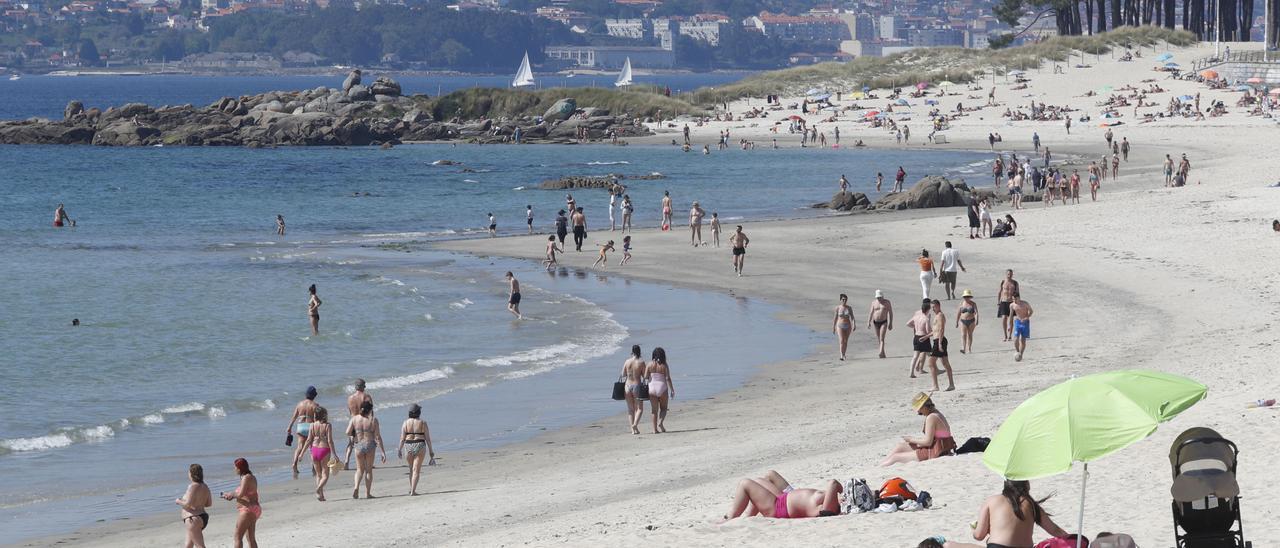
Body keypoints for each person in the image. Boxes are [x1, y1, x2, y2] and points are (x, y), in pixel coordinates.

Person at [968, 480, 1069, 547]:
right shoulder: (1031, 505)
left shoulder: (992, 501)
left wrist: (974, 530)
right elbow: (1055, 530)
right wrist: (1076, 540)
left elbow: (979, 536)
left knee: (953, 545)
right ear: (1026, 485)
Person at [724, 471, 843, 520]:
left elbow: (833, 483)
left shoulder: (830, 509)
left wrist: (841, 491)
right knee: (767, 476)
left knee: (745, 483)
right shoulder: (833, 501)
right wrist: (841, 495)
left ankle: (731, 518)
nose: (845, 497)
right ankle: (749, 517)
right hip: (784, 498)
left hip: (779, 508)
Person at [881, 393, 956, 466]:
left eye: (919, 409)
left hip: (937, 451)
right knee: (900, 446)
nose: (919, 412)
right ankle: (882, 464)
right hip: (942, 447)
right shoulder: (936, 413)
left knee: (896, 457)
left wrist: (911, 439)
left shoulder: (931, 417)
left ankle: (882, 467)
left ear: (924, 407)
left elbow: (928, 442)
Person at [345, 401, 385, 499]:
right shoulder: (373, 420)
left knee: (359, 469)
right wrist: (383, 452)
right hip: (370, 445)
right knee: (368, 470)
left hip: (358, 445)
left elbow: (347, 432)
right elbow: (378, 437)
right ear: (370, 410)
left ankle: (356, 487)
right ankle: (368, 493)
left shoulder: (354, 419)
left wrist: (354, 436)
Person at [221, 458, 259, 548]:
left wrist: (231, 495)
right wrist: (231, 494)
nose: (234, 469)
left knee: (238, 537)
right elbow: (244, 494)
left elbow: (240, 494)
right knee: (250, 538)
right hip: (253, 508)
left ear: (239, 468)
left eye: (235, 467)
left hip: (247, 510)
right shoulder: (250, 476)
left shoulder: (246, 477)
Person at [397, 404, 434, 496]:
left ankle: (411, 489)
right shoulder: (422, 422)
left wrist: (399, 449)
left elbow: (402, 438)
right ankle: (413, 491)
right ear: (419, 412)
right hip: (420, 444)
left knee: (411, 469)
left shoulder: (405, 422)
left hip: (408, 445)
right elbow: (428, 438)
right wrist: (431, 451)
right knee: (416, 470)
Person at [300, 406, 337, 501]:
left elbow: (308, 440)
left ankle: (320, 495)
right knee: (325, 475)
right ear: (324, 415)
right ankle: (318, 489)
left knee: (318, 474)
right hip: (324, 449)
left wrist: (301, 453)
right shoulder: (327, 425)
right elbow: (330, 441)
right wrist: (334, 454)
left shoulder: (312, 425)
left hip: (314, 450)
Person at [176, 464, 212, 548]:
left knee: (200, 546)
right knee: (188, 546)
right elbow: (208, 504)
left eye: (189, 472)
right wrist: (198, 502)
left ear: (192, 474)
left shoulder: (192, 486)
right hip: (202, 517)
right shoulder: (205, 486)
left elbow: (188, 504)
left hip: (193, 519)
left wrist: (178, 501)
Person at [286, 386, 319, 477]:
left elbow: (294, 417)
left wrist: (289, 427)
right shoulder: (315, 405)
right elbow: (316, 419)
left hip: (300, 426)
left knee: (299, 446)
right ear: (314, 395)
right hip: (310, 426)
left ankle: (294, 464)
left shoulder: (299, 404)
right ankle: (314, 467)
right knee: (312, 448)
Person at [341, 380, 372, 469]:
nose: (365, 388)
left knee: (351, 442)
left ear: (355, 387)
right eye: (364, 386)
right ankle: (367, 462)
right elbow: (370, 411)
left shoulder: (350, 398)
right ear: (362, 387)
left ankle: (346, 461)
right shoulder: (366, 397)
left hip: (353, 421)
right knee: (365, 441)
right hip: (364, 422)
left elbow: (350, 411)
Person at [927, 300, 956, 391]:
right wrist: (925, 337)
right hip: (938, 340)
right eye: (931, 307)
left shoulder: (940, 315)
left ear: (938, 306)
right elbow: (935, 330)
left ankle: (935, 386)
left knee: (931, 363)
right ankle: (951, 385)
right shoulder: (936, 316)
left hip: (939, 341)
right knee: (945, 363)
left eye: (934, 306)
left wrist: (939, 343)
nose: (932, 308)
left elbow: (941, 329)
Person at [646, 347, 675, 433]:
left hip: (651, 388)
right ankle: (660, 423)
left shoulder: (649, 364)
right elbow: (668, 378)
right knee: (664, 408)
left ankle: (655, 430)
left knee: (654, 410)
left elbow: (645, 377)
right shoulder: (664, 364)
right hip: (662, 388)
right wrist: (672, 389)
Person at [620, 345, 646, 435]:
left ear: (632, 352)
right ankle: (635, 425)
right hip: (637, 386)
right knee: (639, 408)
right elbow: (645, 376)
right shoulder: (641, 362)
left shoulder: (627, 361)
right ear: (639, 351)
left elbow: (623, 374)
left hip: (627, 386)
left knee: (630, 409)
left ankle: (633, 430)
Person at [906, 300, 932, 379]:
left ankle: (911, 373)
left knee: (915, 356)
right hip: (924, 338)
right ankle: (934, 370)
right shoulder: (926, 319)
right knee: (930, 355)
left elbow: (908, 324)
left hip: (916, 336)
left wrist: (915, 327)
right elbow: (928, 331)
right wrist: (933, 332)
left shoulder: (916, 317)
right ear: (928, 310)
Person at [867, 290, 894, 359]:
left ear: (882, 296)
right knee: (879, 338)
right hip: (875, 322)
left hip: (883, 322)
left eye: (880, 297)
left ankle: (880, 352)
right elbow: (871, 312)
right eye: (877, 297)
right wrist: (868, 322)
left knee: (882, 338)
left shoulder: (887, 302)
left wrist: (890, 323)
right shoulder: (874, 302)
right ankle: (883, 353)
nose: (879, 299)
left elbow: (890, 313)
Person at [996, 270, 1020, 342]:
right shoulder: (1003, 282)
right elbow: (999, 292)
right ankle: (1005, 335)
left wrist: (1018, 302)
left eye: (1011, 274)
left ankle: (1009, 336)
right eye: (1008, 274)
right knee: (1004, 318)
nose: (1010, 275)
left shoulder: (1015, 283)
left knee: (1011, 319)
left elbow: (1018, 293)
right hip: (1004, 301)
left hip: (1012, 302)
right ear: (1006, 274)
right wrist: (998, 302)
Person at [832, 294, 856, 361]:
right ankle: (841, 355)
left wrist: (854, 324)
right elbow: (835, 318)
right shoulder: (838, 308)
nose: (844, 301)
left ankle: (844, 354)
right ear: (840, 300)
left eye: (845, 299)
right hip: (840, 325)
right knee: (842, 340)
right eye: (843, 299)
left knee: (845, 341)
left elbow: (852, 317)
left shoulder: (849, 308)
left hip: (848, 326)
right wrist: (833, 327)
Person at [1010, 292, 1033, 362]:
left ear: (1019, 298)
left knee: (1023, 340)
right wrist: (1009, 325)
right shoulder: (1012, 305)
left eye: (1015, 299)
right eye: (1013, 299)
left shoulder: (1025, 303)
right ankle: (1017, 352)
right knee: (1016, 338)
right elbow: (1011, 315)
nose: (1014, 301)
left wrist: (1027, 317)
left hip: (1025, 323)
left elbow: (1031, 311)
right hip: (1017, 322)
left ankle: (1021, 354)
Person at [955, 289, 979, 354]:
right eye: (965, 297)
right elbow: (958, 313)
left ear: (970, 297)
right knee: (963, 335)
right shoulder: (961, 304)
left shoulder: (973, 304)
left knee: (970, 334)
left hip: (971, 321)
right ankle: (963, 348)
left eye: (968, 296)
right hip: (963, 321)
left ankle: (969, 348)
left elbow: (976, 312)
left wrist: (977, 320)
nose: (966, 298)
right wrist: (956, 322)